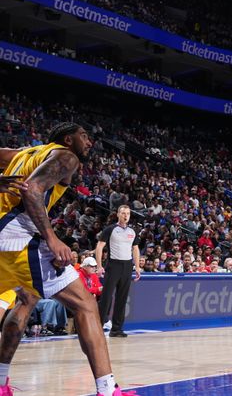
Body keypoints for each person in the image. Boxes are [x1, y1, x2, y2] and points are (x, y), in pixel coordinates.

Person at [0, 122, 131, 396]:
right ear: (68, 139)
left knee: (26, 299)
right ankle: (107, 390)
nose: (89, 142)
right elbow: (32, 189)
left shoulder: (24, 153)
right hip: (17, 237)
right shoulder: (66, 156)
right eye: (84, 136)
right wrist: (51, 238)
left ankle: (0, 383)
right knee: (85, 304)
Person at [95, 205, 141, 338]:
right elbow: (99, 247)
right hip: (113, 265)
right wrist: (99, 266)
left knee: (122, 298)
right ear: (118, 214)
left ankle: (116, 329)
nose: (125, 216)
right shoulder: (110, 229)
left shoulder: (133, 231)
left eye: (128, 213)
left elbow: (136, 249)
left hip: (127, 266)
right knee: (106, 297)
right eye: (123, 213)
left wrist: (137, 266)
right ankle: (97, 327)